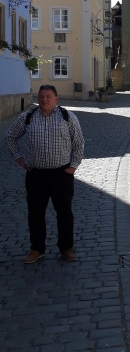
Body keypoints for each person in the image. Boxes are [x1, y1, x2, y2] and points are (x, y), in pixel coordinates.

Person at [5, 85, 85, 264]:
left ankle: (66, 248)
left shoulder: (67, 117)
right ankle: (37, 249)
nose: (44, 100)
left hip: (61, 174)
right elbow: (10, 137)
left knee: (64, 212)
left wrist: (73, 167)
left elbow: (78, 143)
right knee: (35, 213)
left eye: (49, 96)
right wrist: (19, 159)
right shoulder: (27, 117)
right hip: (36, 175)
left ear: (56, 99)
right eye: (41, 96)